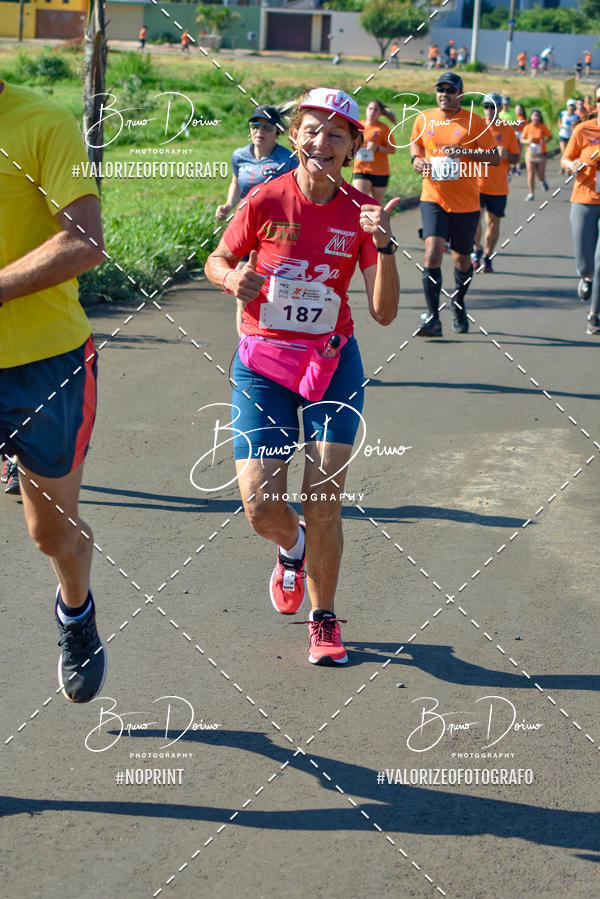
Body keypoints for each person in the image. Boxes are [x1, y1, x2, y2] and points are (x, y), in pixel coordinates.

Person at [204, 87, 401, 665]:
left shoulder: (361, 212)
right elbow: (218, 258)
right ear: (294, 137)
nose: (321, 142)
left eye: (336, 134)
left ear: (353, 147)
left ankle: (323, 618)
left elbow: (384, 312)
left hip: (332, 364)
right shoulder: (266, 198)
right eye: (311, 130)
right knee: (261, 506)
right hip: (264, 364)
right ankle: (292, 549)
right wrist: (229, 279)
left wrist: (384, 245)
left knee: (323, 501)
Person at [0, 80, 106, 702]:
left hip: (45, 364)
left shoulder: (44, 124)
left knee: (51, 533)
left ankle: (76, 612)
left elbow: (85, 242)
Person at [409, 72, 499, 336]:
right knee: (432, 252)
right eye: (440, 89)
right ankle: (433, 318)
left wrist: (466, 152)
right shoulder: (424, 118)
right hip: (433, 197)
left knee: (461, 260)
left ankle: (458, 303)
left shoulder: (475, 121)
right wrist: (416, 161)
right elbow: (416, 146)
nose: (444, 94)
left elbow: (494, 158)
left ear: (460, 94)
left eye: (450, 90)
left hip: (466, 202)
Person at [216, 105, 298, 334]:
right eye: (255, 125)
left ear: (276, 131)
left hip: (277, 231)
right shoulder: (239, 156)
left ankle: (277, 339)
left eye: (267, 127)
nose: (259, 131)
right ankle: (244, 344)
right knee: (242, 289)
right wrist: (228, 205)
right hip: (245, 228)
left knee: (276, 290)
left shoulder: (288, 159)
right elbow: (236, 183)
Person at [561, 86, 600, 332]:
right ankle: (586, 277)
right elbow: (565, 158)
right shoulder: (584, 129)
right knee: (586, 263)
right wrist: (572, 165)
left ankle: (594, 315)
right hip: (584, 199)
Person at [472, 93, 520, 274]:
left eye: (493, 106)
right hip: (476, 183)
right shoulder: (475, 127)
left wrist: (507, 155)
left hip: (498, 186)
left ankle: (487, 255)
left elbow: (516, 158)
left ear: (500, 108)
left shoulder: (507, 130)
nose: (489, 110)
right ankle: (476, 249)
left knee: (493, 223)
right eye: (486, 106)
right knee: (474, 221)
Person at [352, 98, 396, 205]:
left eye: (375, 110)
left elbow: (392, 149)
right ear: (366, 109)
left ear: (380, 113)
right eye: (370, 108)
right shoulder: (358, 126)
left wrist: (377, 148)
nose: (372, 112)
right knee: (360, 203)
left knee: (375, 206)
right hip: (361, 170)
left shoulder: (383, 129)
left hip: (380, 172)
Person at [520, 108, 552, 200]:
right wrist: (528, 141)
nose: (536, 118)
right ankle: (531, 193)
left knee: (540, 175)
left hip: (541, 154)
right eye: (534, 116)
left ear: (540, 117)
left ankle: (542, 181)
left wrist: (544, 142)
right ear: (531, 117)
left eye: (537, 116)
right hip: (530, 154)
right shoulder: (527, 127)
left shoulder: (543, 127)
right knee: (531, 174)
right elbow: (521, 139)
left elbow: (550, 137)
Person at [513, 103, 528, 174]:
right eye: (517, 109)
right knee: (512, 152)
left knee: (519, 152)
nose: (518, 111)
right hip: (513, 136)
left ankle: (518, 168)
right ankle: (512, 168)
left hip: (520, 136)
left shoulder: (524, 119)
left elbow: (524, 127)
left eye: (520, 109)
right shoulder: (513, 117)